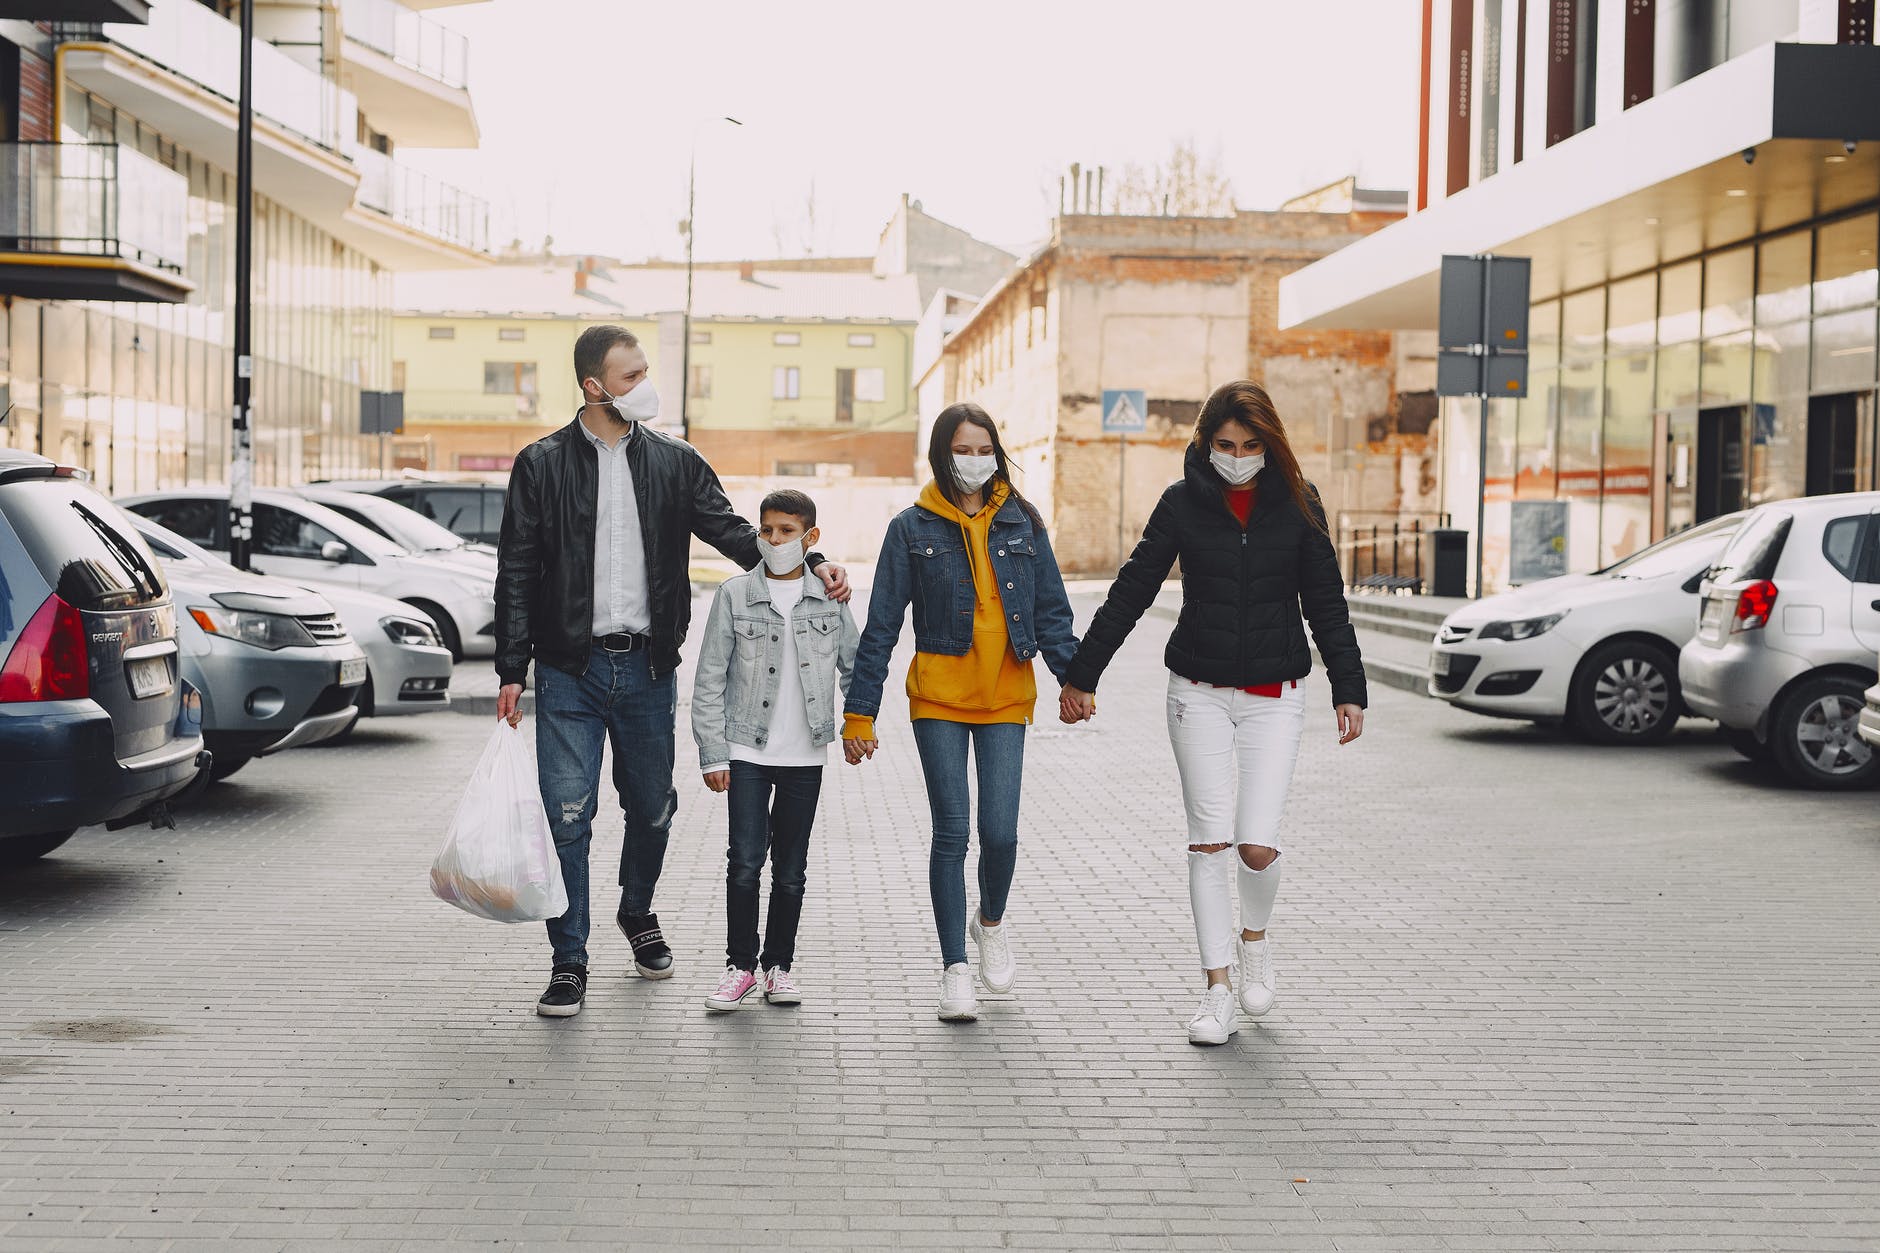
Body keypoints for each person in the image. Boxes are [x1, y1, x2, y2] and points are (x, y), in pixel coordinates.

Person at [494, 325, 849, 1019]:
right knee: (568, 817)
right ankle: (570, 959)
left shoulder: (675, 462)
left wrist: (810, 561)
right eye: (631, 376)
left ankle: (636, 909)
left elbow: (735, 533)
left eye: (644, 371)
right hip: (567, 669)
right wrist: (512, 665)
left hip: (648, 668)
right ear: (594, 386)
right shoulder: (541, 464)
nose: (644, 385)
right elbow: (518, 567)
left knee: (653, 808)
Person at [1060, 380, 1365, 1046]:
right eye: (1226, 444)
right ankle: (1217, 991)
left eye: (1252, 445)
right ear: (1205, 443)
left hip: (1275, 696)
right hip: (1195, 692)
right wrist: (1083, 674)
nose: (1238, 457)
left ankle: (1254, 941)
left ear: (1270, 445)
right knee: (1209, 841)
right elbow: (1133, 588)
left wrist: (1349, 686)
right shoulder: (1182, 502)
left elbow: (1326, 601)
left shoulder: (1301, 502)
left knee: (1255, 845)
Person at [842, 403, 1077, 1023]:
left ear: (997, 453)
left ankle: (990, 922)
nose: (974, 461)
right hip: (939, 697)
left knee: (1000, 833)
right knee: (952, 831)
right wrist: (860, 713)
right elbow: (882, 626)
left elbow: (1052, 609)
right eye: (962, 450)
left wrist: (1074, 680)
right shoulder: (910, 527)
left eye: (984, 450)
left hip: (1007, 694)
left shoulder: (1024, 520)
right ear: (941, 455)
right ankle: (954, 969)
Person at [690, 489, 859, 1012]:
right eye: (766, 530)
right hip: (747, 751)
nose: (774, 539)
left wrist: (858, 724)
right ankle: (740, 967)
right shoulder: (735, 594)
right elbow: (709, 678)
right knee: (744, 861)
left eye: (786, 531)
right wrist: (713, 752)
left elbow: (856, 668)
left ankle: (778, 967)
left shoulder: (829, 597)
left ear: (810, 538)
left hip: (804, 756)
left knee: (790, 868)